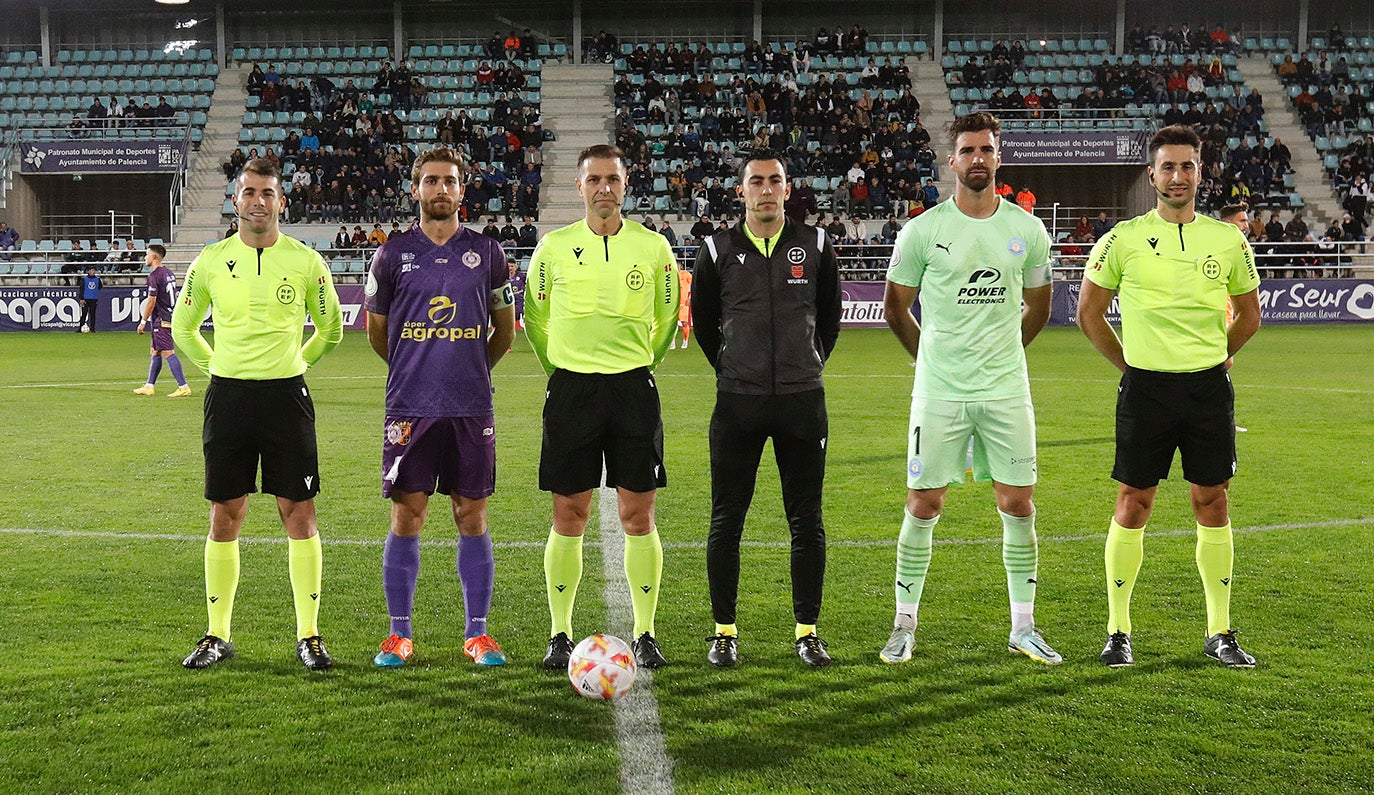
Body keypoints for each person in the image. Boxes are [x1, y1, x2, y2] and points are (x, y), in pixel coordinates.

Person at [1077, 125, 1261, 669]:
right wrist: (1131, 365)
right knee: (1134, 502)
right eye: (1167, 167)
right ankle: (1117, 630)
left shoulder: (1227, 240)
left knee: (1213, 500)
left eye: (1187, 167)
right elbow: (1089, 314)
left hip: (1207, 389)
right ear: (1151, 174)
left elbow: (1249, 317)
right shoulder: (1122, 238)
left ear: (1200, 173)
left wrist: (1215, 357)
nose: (1177, 177)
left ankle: (1220, 630)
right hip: (1146, 389)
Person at [879, 112, 1060, 666]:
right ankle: (903, 625)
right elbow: (896, 307)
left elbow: (1040, 308)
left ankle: (1023, 627)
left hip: (1006, 389)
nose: (977, 158)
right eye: (967, 150)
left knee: (1018, 501)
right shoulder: (924, 230)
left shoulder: (1026, 230)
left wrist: (1001, 355)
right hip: (939, 392)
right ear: (952, 160)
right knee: (924, 502)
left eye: (986, 149)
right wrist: (932, 358)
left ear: (997, 157)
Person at [171, 159, 344, 671]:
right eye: (249, 192)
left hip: (286, 398)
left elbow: (330, 330)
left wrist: (295, 364)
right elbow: (184, 328)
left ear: (281, 202)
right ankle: (216, 634)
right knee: (226, 514)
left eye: (268, 192)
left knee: (299, 513)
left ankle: (309, 635)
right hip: (228, 399)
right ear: (236, 200)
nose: (258, 201)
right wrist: (216, 366)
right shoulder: (209, 259)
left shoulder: (307, 261)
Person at [524, 144, 680, 671]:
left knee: (639, 514)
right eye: (594, 179)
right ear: (579, 186)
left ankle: (645, 632)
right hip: (572, 391)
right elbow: (536, 318)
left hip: (634, 388)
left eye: (612, 178)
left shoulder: (654, 247)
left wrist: (636, 362)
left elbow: (665, 317)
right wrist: (563, 370)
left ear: (626, 183)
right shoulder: (553, 247)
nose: (604, 188)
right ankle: (559, 632)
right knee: (570, 513)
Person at [364, 147, 515, 669]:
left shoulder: (489, 253)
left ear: (462, 190)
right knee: (409, 513)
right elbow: (378, 334)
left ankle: (478, 635)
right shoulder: (391, 254)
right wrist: (416, 366)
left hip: (471, 405)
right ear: (415, 190)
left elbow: (505, 332)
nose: (440, 189)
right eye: (431, 181)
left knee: (470, 513)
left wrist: (469, 367)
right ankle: (398, 636)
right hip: (410, 405)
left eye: (449, 181)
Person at [692, 150, 842, 667]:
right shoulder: (715, 248)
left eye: (774, 181)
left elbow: (829, 319)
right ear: (742, 191)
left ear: (787, 188)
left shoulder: (816, 243)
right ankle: (724, 632)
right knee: (726, 520)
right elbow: (706, 320)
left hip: (803, 402)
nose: (765, 189)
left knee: (807, 520)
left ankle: (807, 631)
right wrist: (734, 367)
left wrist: (809, 362)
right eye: (755, 181)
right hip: (738, 403)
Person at [133, 244, 191, 397]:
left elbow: (151, 301)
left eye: (147, 254)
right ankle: (149, 386)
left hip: (162, 318)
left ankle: (183, 386)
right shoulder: (168, 273)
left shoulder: (155, 276)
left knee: (167, 352)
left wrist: (143, 321)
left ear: (154, 257)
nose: (145, 258)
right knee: (155, 351)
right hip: (169, 315)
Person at [1217, 203, 1253, 434]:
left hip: (1227, 313)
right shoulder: (1217, 247)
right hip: (1216, 315)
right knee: (1222, 364)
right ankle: (1221, 422)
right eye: (1242, 221)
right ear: (1229, 223)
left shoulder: (1237, 247)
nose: (1247, 226)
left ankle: (1220, 421)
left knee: (1222, 366)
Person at [674, 265, 693, 349]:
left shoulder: (686, 274)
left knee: (684, 323)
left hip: (683, 302)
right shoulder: (670, 276)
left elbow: (693, 285)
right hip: (673, 303)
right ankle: (672, 342)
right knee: (673, 324)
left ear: (680, 265)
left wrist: (689, 298)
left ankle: (685, 341)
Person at [78, 267, 101, 332]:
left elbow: (100, 286)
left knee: (93, 314)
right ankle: (80, 328)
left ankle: (92, 329)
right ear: (88, 271)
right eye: (91, 270)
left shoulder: (97, 279)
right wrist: (82, 298)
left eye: (94, 270)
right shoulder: (84, 279)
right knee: (84, 314)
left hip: (94, 299)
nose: (93, 272)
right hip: (86, 299)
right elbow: (81, 289)